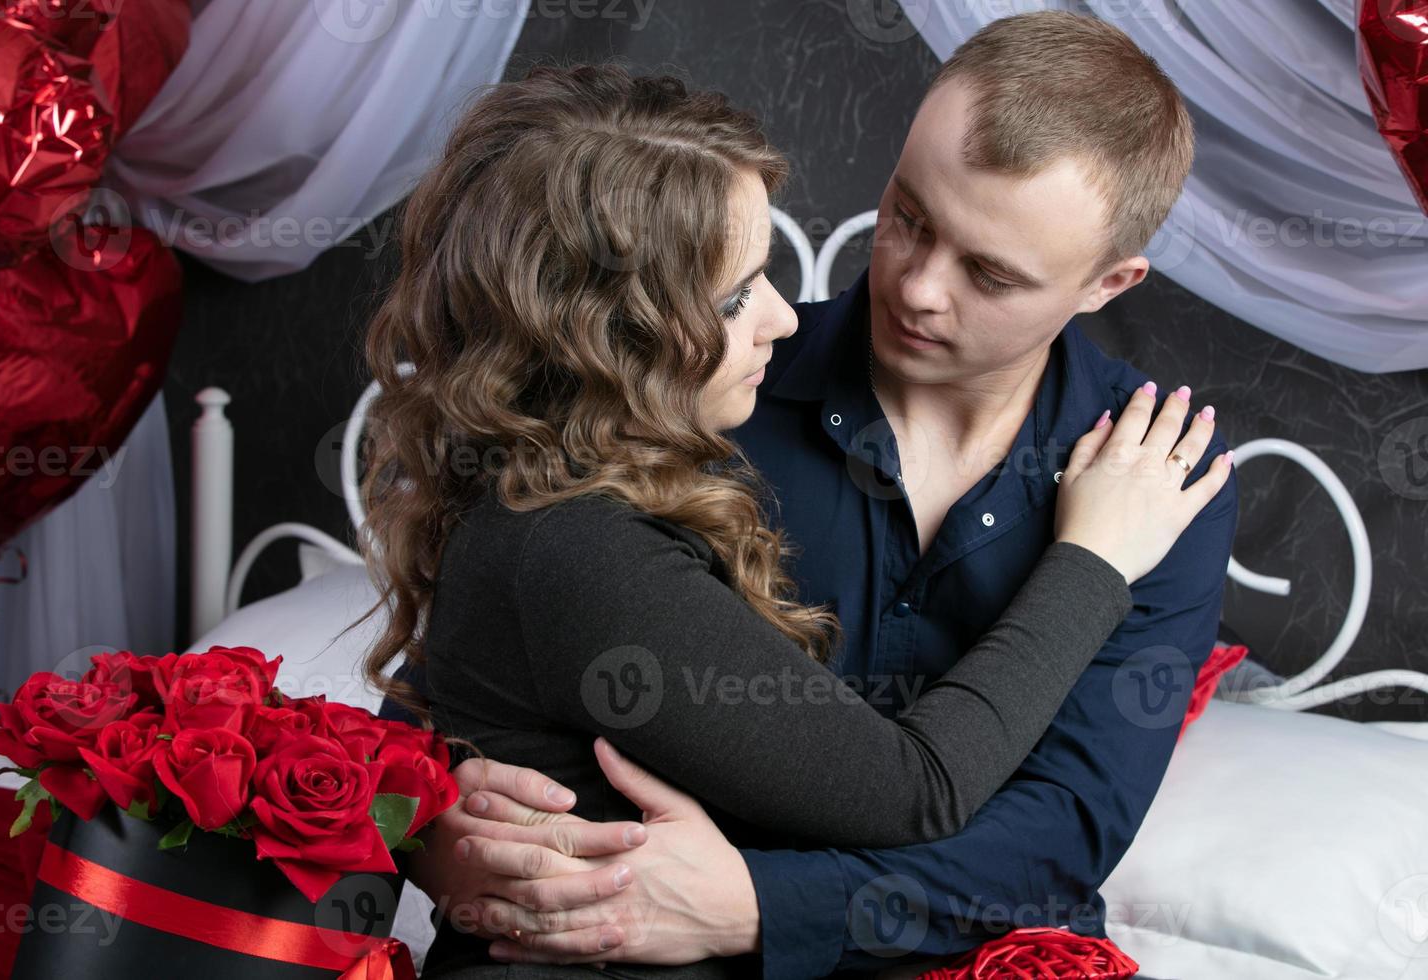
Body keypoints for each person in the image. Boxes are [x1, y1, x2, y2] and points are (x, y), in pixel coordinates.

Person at [357, 52, 1232, 979]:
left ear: (1109, 284)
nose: (919, 286)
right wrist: (433, 830)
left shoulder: (1153, 478)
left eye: (990, 274)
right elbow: (456, 685)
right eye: (909, 218)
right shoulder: (684, 375)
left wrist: (761, 907)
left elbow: (1064, 831)